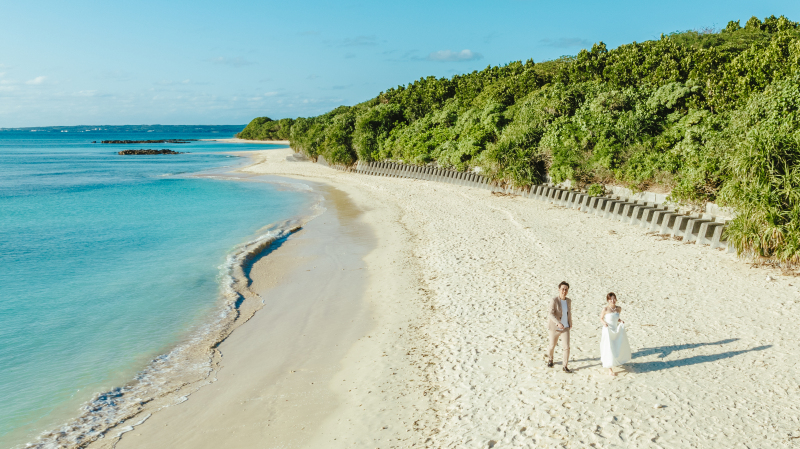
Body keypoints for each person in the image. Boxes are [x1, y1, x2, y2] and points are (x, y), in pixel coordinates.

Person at [599, 292, 631, 376]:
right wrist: (604, 323)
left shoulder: (618, 308)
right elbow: (601, 318)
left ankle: (617, 360)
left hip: (615, 329)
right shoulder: (605, 309)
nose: (612, 301)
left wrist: (621, 321)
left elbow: (616, 318)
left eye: (614, 299)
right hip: (607, 330)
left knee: (616, 346)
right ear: (608, 300)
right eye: (610, 299)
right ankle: (610, 369)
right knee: (608, 347)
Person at [547, 281, 573, 373]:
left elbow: (568, 312)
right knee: (552, 345)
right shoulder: (554, 300)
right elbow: (550, 314)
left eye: (566, 289)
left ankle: (565, 366)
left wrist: (570, 322)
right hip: (555, 328)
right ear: (559, 289)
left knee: (566, 347)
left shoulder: (568, 301)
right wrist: (558, 323)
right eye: (562, 289)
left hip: (565, 327)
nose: (564, 291)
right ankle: (550, 359)